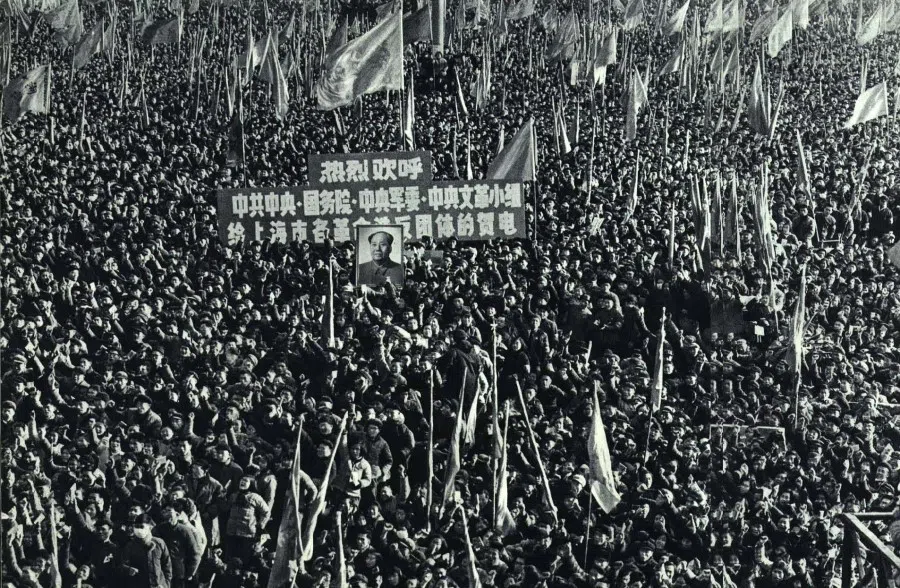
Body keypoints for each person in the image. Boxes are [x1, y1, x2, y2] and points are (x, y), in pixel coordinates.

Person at [119, 516, 173, 588]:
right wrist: (128, 569)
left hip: (159, 585)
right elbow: (122, 565)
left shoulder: (159, 543)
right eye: (136, 527)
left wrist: (166, 584)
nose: (138, 530)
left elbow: (167, 565)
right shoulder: (130, 546)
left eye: (141, 527)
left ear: (149, 527)